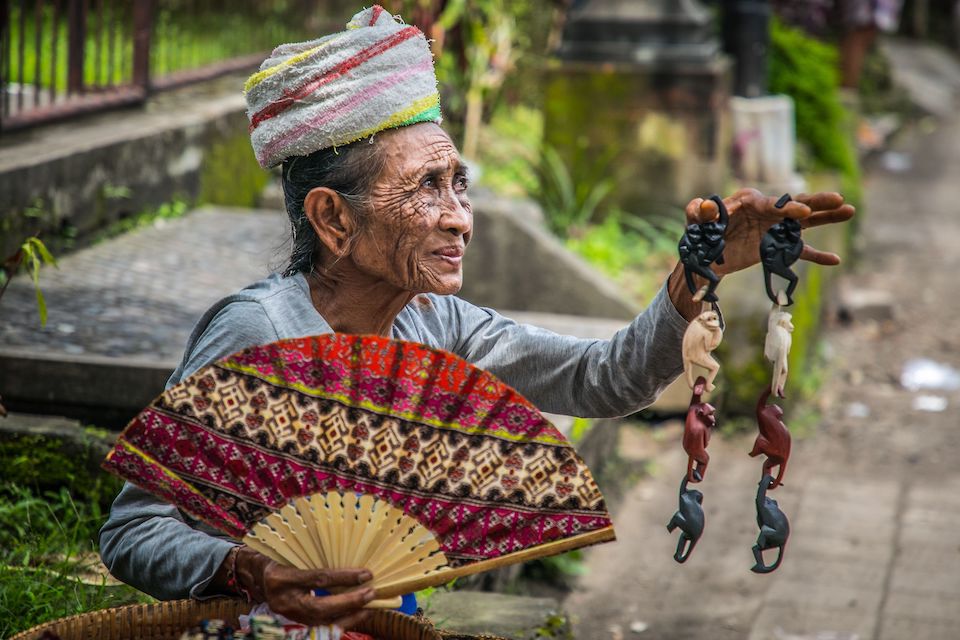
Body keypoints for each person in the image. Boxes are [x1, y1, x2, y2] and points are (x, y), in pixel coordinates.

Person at [99, 5, 855, 631]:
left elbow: (606, 379)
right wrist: (249, 570)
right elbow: (133, 531)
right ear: (333, 219)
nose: (460, 218)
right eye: (426, 188)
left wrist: (701, 269)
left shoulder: (437, 326)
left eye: (459, 183)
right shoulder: (256, 333)